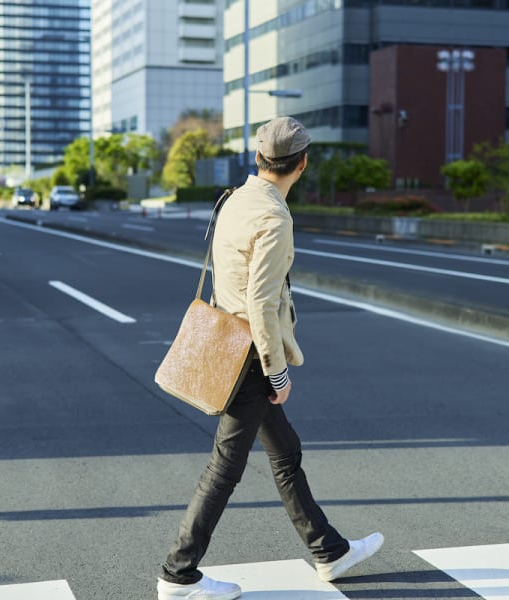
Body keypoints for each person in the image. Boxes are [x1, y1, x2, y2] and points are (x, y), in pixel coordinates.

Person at [157, 116, 384, 600]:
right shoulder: (275, 216)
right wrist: (277, 370)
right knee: (226, 466)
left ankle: (330, 551)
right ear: (301, 164)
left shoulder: (235, 198)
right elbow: (261, 303)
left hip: (230, 340)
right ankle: (178, 573)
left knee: (285, 452)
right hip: (250, 356)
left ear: (259, 159)